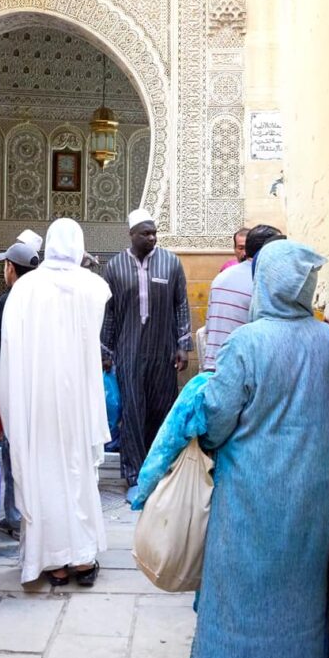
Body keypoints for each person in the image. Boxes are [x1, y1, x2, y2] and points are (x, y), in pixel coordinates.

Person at [184, 240, 329, 658]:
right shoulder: (324, 341)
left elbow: (217, 419)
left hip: (251, 494)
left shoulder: (247, 342)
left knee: (239, 595)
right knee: (294, 594)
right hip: (309, 497)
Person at [0, 218, 111, 586]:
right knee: (77, 474)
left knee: (44, 472)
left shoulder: (26, 288)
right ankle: (81, 559)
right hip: (77, 400)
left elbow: (12, 350)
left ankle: (53, 562)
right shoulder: (93, 286)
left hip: (39, 400)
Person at [101, 208, 192, 501]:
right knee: (132, 412)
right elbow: (110, 313)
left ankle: (159, 471)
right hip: (128, 352)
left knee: (161, 410)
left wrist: (183, 345)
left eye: (154, 233)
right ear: (131, 235)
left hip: (163, 351)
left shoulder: (171, 263)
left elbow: (181, 305)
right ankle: (134, 475)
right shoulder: (115, 267)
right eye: (146, 233)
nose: (152, 237)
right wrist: (106, 351)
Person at [0, 242, 40, 540]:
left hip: (14, 389)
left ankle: (13, 516)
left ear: (11, 268)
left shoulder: (7, 301)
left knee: (13, 455)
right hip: (40, 390)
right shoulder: (43, 298)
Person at [203, 224, 284, 370]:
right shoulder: (263, 281)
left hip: (214, 366)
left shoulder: (221, 278)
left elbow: (209, 329)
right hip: (238, 371)